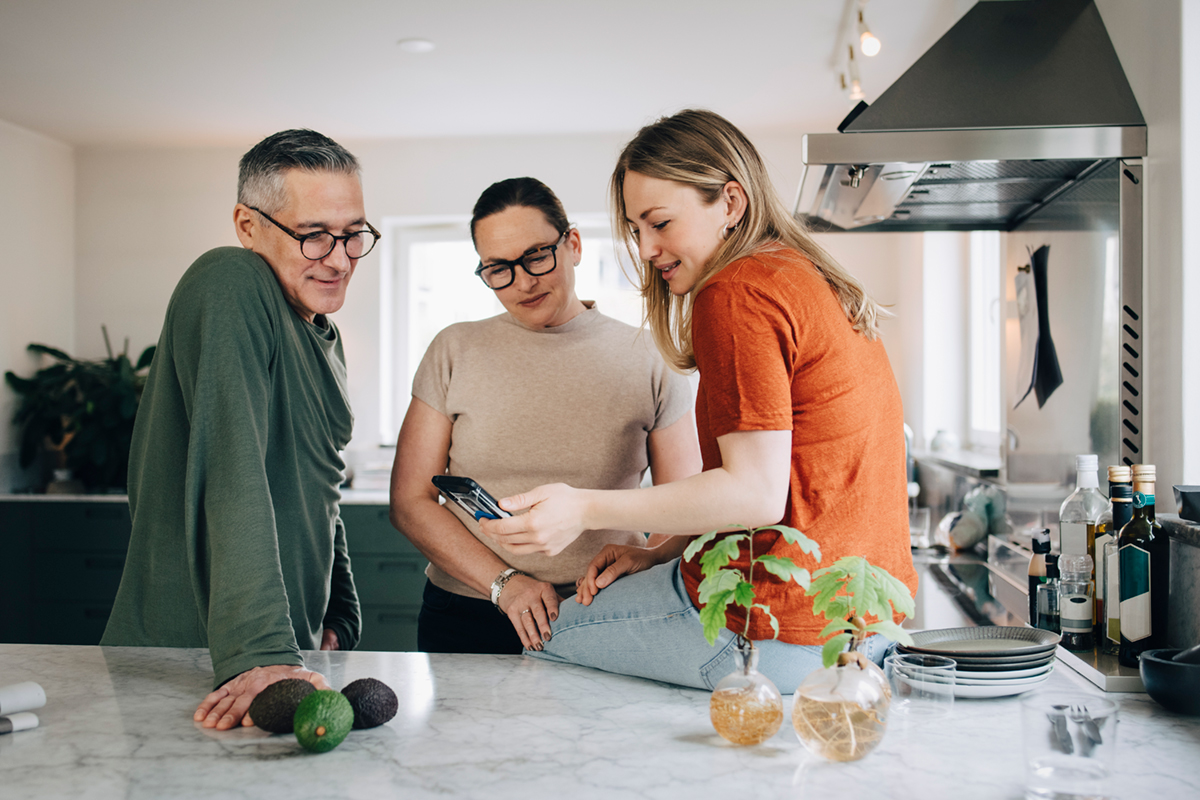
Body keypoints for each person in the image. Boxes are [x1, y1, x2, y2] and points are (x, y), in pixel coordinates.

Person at [478, 110, 918, 691]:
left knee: (544, 643)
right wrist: (664, 551)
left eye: (660, 223)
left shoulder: (735, 292)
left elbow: (755, 495)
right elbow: (780, 476)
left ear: (731, 203)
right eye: (637, 230)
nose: (648, 248)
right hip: (859, 625)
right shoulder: (801, 274)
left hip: (770, 626)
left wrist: (583, 508)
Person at [101, 129, 379, 729]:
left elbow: (317, 485)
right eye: (312, 236)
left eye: (352, 234)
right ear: (248, 225)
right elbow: (233, 470)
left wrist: (338, 612)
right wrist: (261, 652)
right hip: (198, 660)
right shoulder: (230, 281)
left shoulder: (323, 338)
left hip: (283, 659)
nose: (338, 259)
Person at [389, 177, 701, 654]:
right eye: (498, 268)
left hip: (606, 611)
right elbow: (410, 501)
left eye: (536, 256)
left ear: (572, 244)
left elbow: (684, 504)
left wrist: (648, 555)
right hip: (470, 612)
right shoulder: (453, 349)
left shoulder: (650, 355)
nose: (523, 281)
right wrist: (505, 584)